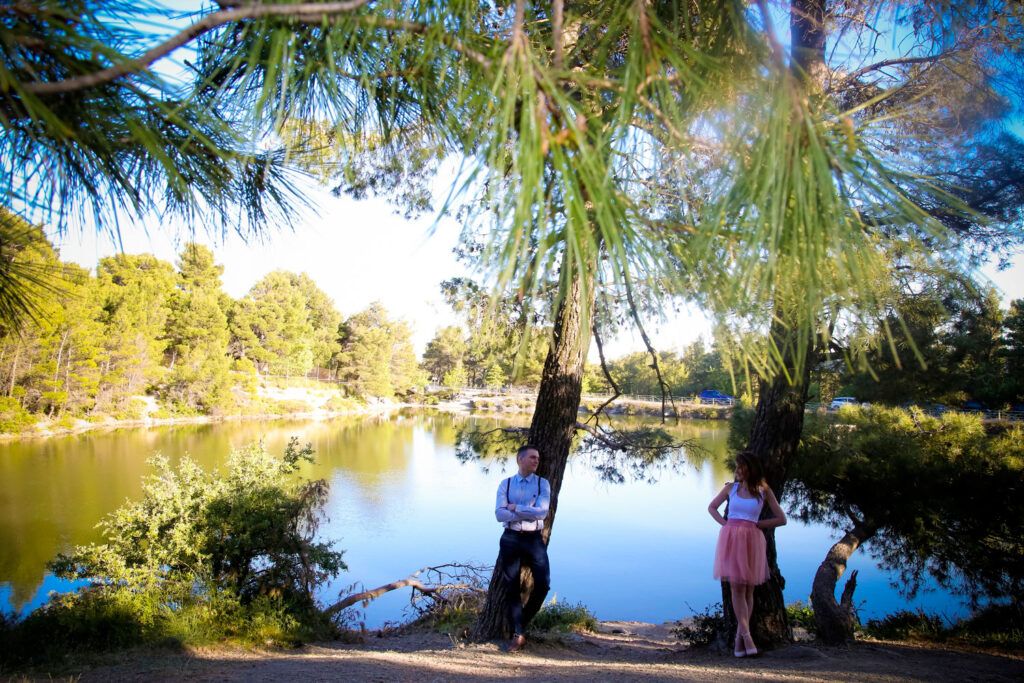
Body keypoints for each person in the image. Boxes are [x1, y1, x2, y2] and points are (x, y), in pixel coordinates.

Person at [707, 449, 786, 657]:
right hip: (732, 538)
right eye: (736, 466)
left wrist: (758, 524)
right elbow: (712, 508)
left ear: (750, 468)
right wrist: (726, 525)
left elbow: (781, 518)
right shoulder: (730, 488)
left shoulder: (763, 490)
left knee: (749, 590)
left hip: (753, 538)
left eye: (740, 466)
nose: (737, 470)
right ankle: (746, 636)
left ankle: (738, 640)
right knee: (737, 588)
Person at [494, 444, 551, 653]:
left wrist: (516, 507)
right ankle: (519, 634)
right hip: (510, 538)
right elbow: (499, 514)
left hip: (534, 540)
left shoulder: (542, 484)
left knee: (543, 584)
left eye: (538, 458)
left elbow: (542, 513)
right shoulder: (506, 484)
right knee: (511, 588)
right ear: (520, 460)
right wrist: (528, 511)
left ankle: (521, 623)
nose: (536, 461)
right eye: (532, 458)